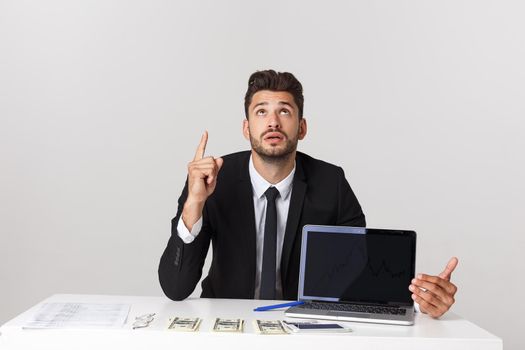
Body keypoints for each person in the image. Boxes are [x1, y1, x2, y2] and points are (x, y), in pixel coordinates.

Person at [159, 70, 458, 318]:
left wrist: (421, 301)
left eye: (284, 112)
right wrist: (195, 203)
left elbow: (363, 272)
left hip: (302, 329)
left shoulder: (332, 183)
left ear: (301, 128)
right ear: (246, 128)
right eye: (261, 112)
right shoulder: (213, 180)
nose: (273, 122)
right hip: (229, 327)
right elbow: (175, 288)